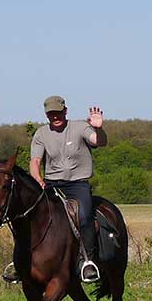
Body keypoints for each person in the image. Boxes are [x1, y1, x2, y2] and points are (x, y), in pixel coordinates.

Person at [29, 95, 108, 283]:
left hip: (77, 184)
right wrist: (38, 179)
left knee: (84, 216)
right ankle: (22, 260)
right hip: (52, 184)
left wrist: (99, 128)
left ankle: (87, 261)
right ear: (46, 115)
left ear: (65, 111)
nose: (55, 117)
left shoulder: (80, 127)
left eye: (58, 112)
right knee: (32, 216)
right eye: (51, 114)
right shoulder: (41, 134)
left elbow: (99, 141)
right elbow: (35, 161)